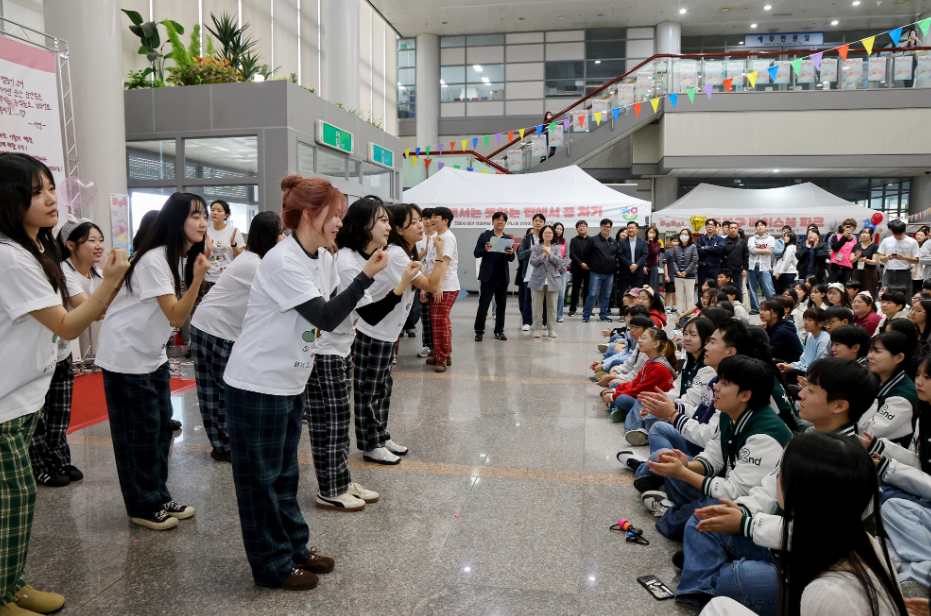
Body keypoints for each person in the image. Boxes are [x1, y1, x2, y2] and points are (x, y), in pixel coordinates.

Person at [221, 176, 387, 590]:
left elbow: (337, 309)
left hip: (290, 380)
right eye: (336, 215)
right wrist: (365, 275)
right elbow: (327, 317)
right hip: (257, 383)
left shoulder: (323, 258)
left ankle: (294, 547)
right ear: (312, 214)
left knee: (285, 475)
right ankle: (271, 565)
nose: (340, 224)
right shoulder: (282, 260)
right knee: (260, 482)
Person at [0, 153, 129, 615]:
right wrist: (110, 281)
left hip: (20, 396)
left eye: (51, 186)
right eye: (36, 191)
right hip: (5, 402)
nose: (51, 198)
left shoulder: (34, 250)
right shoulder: (10, 257)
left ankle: (12, 585)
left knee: (18, 499)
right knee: (12, 500)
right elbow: (70, 325)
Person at [691, 423, 905, 616]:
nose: (778, 475)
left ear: (804, 492)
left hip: (807, 586)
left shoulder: (824, 595)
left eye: (783, 472)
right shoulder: (862, 538)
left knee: (723, 597)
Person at [96, 193, 210, 530]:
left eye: (205, 215)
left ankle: (158, 495)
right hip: (126, 355)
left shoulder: (175, 256)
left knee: (160, 427)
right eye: (195, 216)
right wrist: (199, 278)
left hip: (150, 354)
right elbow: (176, 314)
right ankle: (142, 506)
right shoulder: (156, 259)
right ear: (176, 220)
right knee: (138, 433)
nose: (203, 222)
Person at [307, 197, 421, 512]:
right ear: (364, 225)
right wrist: (401, 285)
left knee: (340, 420)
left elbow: (371, 310)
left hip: (340, 347)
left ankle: (339, 480)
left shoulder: (357, 258)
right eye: (382, 220)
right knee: (332, 422)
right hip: (326, 351)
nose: (388, 226)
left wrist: (401, 283)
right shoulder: (346, 262)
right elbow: (370, 316)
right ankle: (330, 488)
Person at [643, 355, 794, 541]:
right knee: (667, 462)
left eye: (724, 383)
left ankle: (674, 515)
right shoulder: (729, 413)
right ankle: (683, 512)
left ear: (745, 395)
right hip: (727, 486)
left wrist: (683, 472)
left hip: (748, 508)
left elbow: (735, 493)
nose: (716, 386)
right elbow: (713, 458)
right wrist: (685, 467)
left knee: (706, 512)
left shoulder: (765, 435)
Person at [354, 203, 448, 464]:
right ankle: (371, 444)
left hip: (386, 331)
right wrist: (441, 254)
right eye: (414, 221)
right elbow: (431, 285)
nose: (421, 225)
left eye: (421, 220)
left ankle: (381, 436)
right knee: (370, 391)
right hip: (374, 330)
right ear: (397, 228)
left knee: (383, 388)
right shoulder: (395, 254)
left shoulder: (403, 252)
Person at [190, 212, 285, 463]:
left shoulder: (258, 260)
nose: (285, 237)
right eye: (282, 232)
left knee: (222, 390)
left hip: (220, 328)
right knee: (221, 391)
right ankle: (224, 445)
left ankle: (225, 442)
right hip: (214, 328)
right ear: (268, 236)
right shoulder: (253, 264)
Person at [29, 218, 104, 487]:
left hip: (61, 349)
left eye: (100, 239)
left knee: (59, 412)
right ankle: (40, 465)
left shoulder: (96, 273)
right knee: (39, 413)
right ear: (70, 245)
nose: (98, 246)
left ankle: (59, 459)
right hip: (41, 350)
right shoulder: (62, 269)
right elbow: (88, 307)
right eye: (91, 240)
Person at [871, 355, 931, 598]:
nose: (919, 382)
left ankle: (921, 572)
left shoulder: (903, 399)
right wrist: (882, 450)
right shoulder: (925, 413)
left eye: (928, 378)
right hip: (923, 494)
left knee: (891, 506)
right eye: (918, 375)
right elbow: (918, 460)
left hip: (925, 496)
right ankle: (911, 569)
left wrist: (889, 468)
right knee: (883, 498)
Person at [621, 317, 717, 447]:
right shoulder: (689, 361)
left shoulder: (708, 368)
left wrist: (663, 407)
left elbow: (690, 401)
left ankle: (641, 430)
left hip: (689, 416)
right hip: (678, 407)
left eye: (693, 335)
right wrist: (656, 402)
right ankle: (636, 431)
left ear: (706, 340)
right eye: (686, 334)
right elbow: (675, 390)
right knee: (645, 400)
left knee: (651, 418)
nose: (687, 338)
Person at [601, 328, 678, 423]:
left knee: (621, 399)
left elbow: (639, 389)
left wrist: (613, 396)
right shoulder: (649, 361)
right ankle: (622, 410)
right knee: (615, 386)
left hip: (652, 403)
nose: (640, 341)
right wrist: (615, 390)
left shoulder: (658, 367)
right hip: (643, 395)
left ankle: (625, 413)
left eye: (644, 338)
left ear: (656, 344)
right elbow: (636, 382)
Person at [862, 331, 918, 443]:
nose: (869, 356)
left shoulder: (904, 397)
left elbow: (868, 432)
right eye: (870, 351)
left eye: (877, 351)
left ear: (899, 358)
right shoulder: (877, 378)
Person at [473, 211, 515, 341]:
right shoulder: (485, 236)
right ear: (493, 222)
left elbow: (512, 258)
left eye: (503, 220)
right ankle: (479, 331)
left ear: (505, 223)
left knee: (501, 305)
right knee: (484, 305)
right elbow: (476, 253)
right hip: (488, 276)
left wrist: (511, 253)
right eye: (497, 219)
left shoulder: (507, 238)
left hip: (502, 277)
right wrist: (485, 250)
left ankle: (499, 331)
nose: (500, 222)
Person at [428, 207, 459, 369]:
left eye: (435, 217)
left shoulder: (448, 238)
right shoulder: (436, 237)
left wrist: (439, 286)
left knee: (440, 320)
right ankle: (442, 354)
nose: (431, 220)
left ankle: (442, 358)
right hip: (436, 285)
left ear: (445, 220)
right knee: (437, 321)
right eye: (431, 217)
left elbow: (445, 263)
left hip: (446, 286)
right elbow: (430, 262)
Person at [529, 224, 568, 339]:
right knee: (537, 306)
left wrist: (549, 253)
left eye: (550, 233)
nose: (548, 234)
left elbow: (559, 262)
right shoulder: (537, 247)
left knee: (552, 307)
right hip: (538, 280)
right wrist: (543, 254)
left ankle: (551, 329)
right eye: (546, 232)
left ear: (553, 235)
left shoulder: (556, 248)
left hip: (553, 280)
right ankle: (537, 329)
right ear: (542, 234)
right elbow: (533, 262)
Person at [203, 199, 245, 298]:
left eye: (219, 210)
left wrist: (233, 244)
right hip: (208, 278)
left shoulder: (233, 231)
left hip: (227, 278)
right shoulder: (205, 232)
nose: (215, 213)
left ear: (226, 215)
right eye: (212, 210)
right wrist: (208, 250)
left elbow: (242, 256)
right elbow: (201, 258)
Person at [582, 219, 618, 323]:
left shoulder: (613, 241)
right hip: (596, 273)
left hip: (609, 274)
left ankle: (603, 315)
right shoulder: (593, 240)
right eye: (604, 226)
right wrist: (590, 265)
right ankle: (586, 315)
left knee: (606, 295)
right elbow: (586, 254)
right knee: (592, 294)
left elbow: (616, 256)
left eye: (608, 227)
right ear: (600, 227)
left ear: (610, 228)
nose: (606, 228)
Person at [779, 307, 829, 380]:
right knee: (779, 363)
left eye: (810, 320)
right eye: (805, 319)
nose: (805, 322)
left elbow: (818, 367)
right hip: (805, 368)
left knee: (791, 373)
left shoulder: (825, 340)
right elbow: (803, 360)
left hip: (815, 374)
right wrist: (790, 365)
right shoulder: (810, 336)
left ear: (821, 323)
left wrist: (794, 368)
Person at [518, 213, 546, 330]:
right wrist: (530, 250)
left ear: (544, 223)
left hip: (544, 274)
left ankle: (545, 322)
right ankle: (527, 322)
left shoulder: (547, 237)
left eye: (541, 221)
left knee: (544, 300)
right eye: (536, 221)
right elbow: (520, 255)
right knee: (527, 299)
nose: (538, 223)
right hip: (529, 273)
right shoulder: (527, 238)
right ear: (532, 223)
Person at [415, 208, 437, 357]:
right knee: (425, 316)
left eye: (431, 218)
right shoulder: (418, 237)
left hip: (435, 281)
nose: (428, 222)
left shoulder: (439, 237)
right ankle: (427, 345)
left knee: (436, 316)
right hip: (419, 279)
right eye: (425, 219)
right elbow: (414, 258)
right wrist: (426, 248)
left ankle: (438, 346)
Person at [879, 219, 920, 289]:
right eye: (895, 234)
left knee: (904, 295)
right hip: (889, 272)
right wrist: (888, 257)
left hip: (904, 272)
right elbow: (881, 258)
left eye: (900, 234)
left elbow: (916, 260)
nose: (898, 236)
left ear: (905, 231)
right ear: (891, 231)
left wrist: (904, 258)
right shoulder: (886, 241)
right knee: (886, 295)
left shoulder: (912, 242)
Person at [747, 220, 777, 315]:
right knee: (752, 289)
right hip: (752, 267)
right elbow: (751, 250)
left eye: (762, 225)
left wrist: (758, 250)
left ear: (765, 227)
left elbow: (770, 251)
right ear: (756, 228)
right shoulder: (751, 239)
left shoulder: (771, 238)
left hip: (765, 267)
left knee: (768, 289)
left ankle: (773, 307)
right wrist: (765, 250)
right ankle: (755, 309)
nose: (760, 227)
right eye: (758, 226)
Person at [671, 228, 699, 315]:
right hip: (678, 276)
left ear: (689, 236)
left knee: (690, 296)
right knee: (679, 296)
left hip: (689, 275)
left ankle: (690, 313)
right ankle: (679, 313)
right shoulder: (676, 247)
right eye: (682, 234)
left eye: (686, 234)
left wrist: (686, 272)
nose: (684, 236)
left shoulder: (693, 247)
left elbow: (694, 260)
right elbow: (674, 260)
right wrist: (677, 271)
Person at [568, 219, 591, 317]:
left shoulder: (591, 240)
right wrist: (580, 263)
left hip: (589, 269)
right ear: (577, 229)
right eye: (579, 226)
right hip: (577, 268)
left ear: (587, 228)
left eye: (584, 226)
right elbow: (572, 254)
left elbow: (594, 254)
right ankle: (572, 309)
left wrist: (589, 264)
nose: (582, 228)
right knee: (575, 289)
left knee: (587, 290)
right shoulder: (574, 240)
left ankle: (586, 310)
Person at [721, 221, 748, 302]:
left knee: (738, 290)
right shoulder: (723, 241)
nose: (733, 230)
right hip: (725, 270)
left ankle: (739, 308)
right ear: (728, 229)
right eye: (731, 228)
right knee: (724, 290)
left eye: (735, 228)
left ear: (737, 229)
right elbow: (720, 255)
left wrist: (745, 269)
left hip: (738, 270)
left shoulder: (742, 242)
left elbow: (746, 256)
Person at [618, 220, 648, 292]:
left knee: (637, 294)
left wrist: (637, 265)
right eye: (629, 228)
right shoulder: (622, 242)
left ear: (637, 229)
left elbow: (644, 255)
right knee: (623, 293)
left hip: (638, 273)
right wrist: (630, 264)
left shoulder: (643, 242)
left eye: (632, 228)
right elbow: (620, 255)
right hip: (625, 272)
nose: (630, 230)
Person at [696, 219, 725, 287]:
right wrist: (713, 248)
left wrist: (706, 247)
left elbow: (720, 249)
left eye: (712, 225)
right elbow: (698, 251)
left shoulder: (719, 239)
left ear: (715, 227)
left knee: (715, 287)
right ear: (706, 227)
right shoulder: (700, 239)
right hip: (702, 266)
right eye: (708, 225)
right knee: (702, 287)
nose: (710, 226)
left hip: (715, 266)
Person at [852, 227, 880, 295]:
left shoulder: (874, 246)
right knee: (855, 291)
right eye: (862, 233)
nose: (864, 235)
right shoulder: (856, 246)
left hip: (870, 272)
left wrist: (866, 260)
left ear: (871, 235)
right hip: (857, 271)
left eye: (866, 233)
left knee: (869, 292)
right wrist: (857, 256)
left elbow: (874, 261)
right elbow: (851, 260)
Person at [829, 219, 858, 284]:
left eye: (851, 226)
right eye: (847, 226)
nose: (848, 228)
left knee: (845, 287)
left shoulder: (855, 240)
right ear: (843, 227)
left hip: (847, 267)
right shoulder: (835, 237)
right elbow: (835, 248)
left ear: (854, 228)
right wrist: (844, 237)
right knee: (831, 285)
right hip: (835, 266)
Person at [553, 222, 569, 322]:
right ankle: (549, 315)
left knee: (561, 294)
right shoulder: (550, 241)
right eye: (557, 228)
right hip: (551, 271)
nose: (558, 230)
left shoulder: (565, 242)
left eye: (560, 229)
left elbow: (566, 256)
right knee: (551, 294)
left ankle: (559, 315)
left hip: (563, 271)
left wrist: (561, 267)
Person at [772, 231, 798, 296]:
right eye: (784, 236)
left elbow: (786, 261)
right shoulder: (790, 247)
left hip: (789, 273)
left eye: (787, 236)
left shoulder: (790, 247)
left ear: (791, 237)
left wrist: (779, 272)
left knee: (787, 293)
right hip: (788, 273)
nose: (785, 238)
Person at [663, 236, 680, 312]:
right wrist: (666, 275)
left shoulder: (682, 252)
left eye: (677, 241)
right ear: (671, 242)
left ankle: (675, 307)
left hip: (679, 276)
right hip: (670, 276)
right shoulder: (668, 252)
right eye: (674, 241)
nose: (676, 243)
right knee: (668, 292)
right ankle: (667, 307)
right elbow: (665, 264)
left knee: (676, 293)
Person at [645, 224, 664, 292]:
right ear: (647, 233)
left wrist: (651, 241)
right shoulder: (643, 242)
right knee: (644, 287)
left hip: (653, 266)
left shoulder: (657, 243)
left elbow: (653, 252)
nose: (652, 234)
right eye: (650, 232)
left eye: (654, 233)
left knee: (652, 287)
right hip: (643, 266)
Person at [913, 227, 929, 295]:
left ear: (925, 237)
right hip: (914, 269)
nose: (919, 237)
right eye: (917, 235)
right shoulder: (913, 244)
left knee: (921, 288)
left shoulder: (928, 245)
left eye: (921, 235)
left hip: (923, 269)